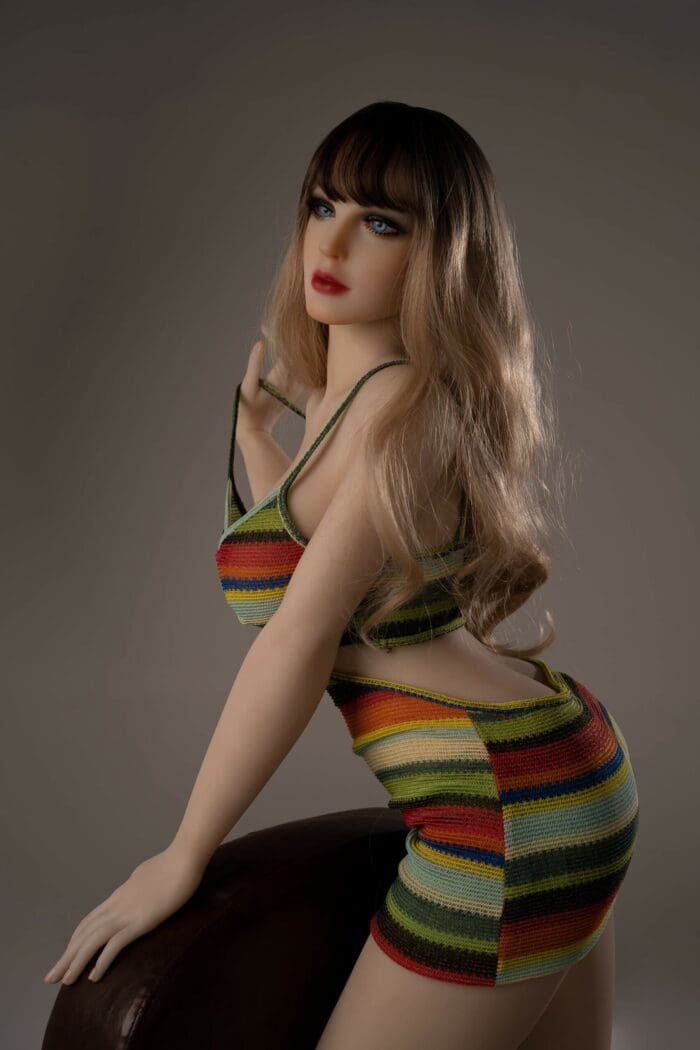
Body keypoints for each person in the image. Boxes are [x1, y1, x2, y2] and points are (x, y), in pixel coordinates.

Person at [43, 101, 640, 1050]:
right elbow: (321, 555)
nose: (332, 242)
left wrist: (183, 855)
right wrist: (259, 442)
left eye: (382, 222)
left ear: (441, 254)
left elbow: (301, 635)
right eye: (323, 206)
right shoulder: (342, 396)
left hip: (505, 799)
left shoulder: (405, 406)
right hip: (545, 761)